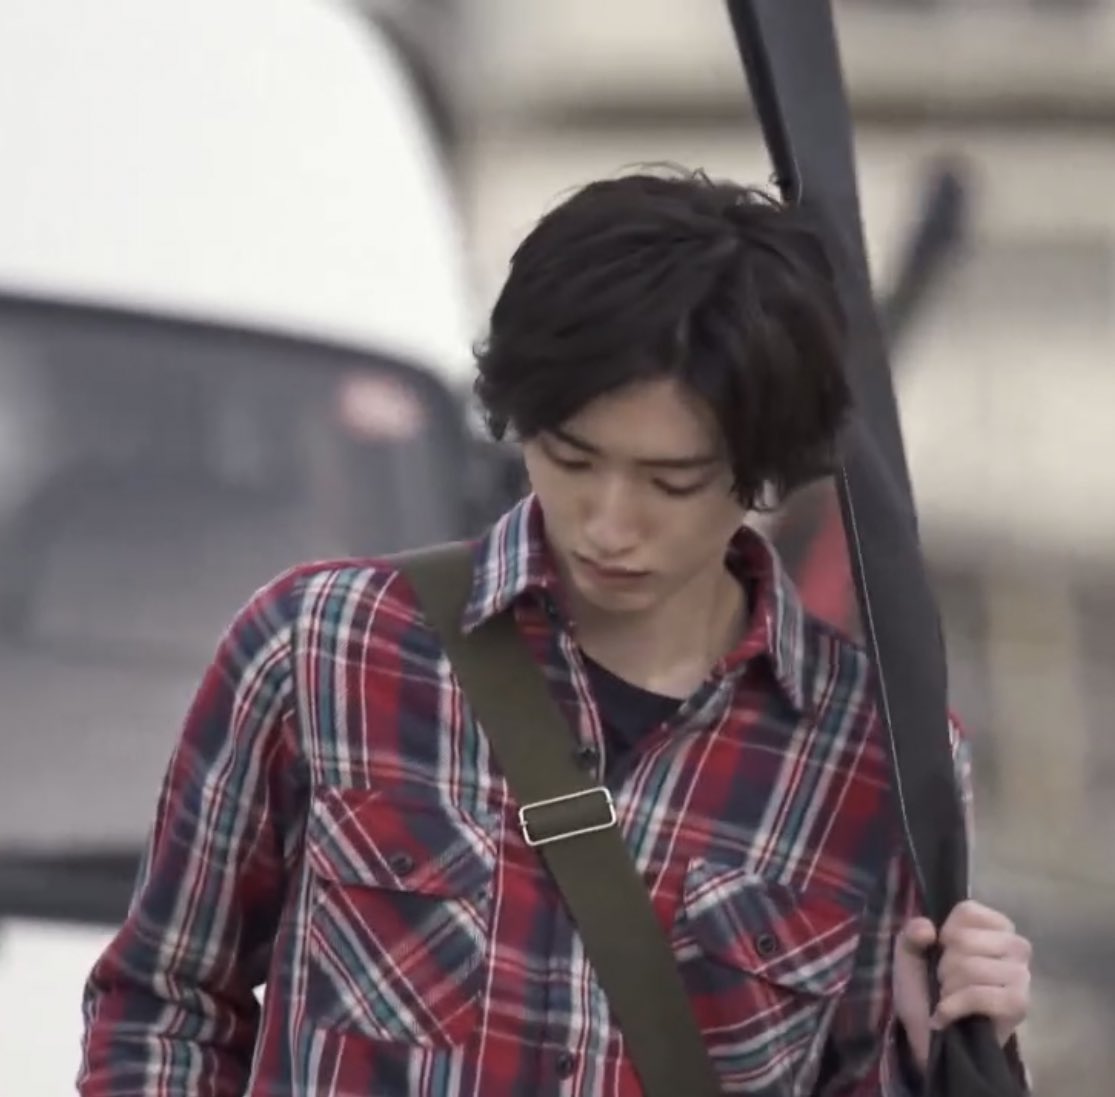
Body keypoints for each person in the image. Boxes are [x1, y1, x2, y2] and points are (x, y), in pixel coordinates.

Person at [79, 168, 1032, 1096]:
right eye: (571, 459)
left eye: (670, 482)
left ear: (762, 469)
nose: (608, 524)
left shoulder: (876, 757)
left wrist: (940, 1054)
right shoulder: (322, 648)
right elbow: (165, 1002)